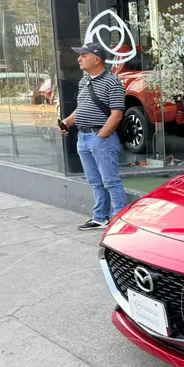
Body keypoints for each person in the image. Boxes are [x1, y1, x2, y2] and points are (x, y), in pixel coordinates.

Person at [61, 43, 127, 230]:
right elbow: (81, 108)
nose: (79, 59)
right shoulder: (85, 81)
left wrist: (100, 137)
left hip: (101, 138)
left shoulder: (112, 82)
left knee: (110, 181)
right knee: (95, 181)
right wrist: (67, 121)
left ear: (96, 59)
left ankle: (118, 220)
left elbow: (117, 115)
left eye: (84, 55)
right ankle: (100, 217)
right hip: (83, 138)